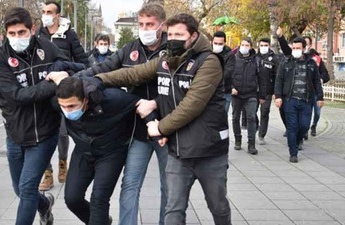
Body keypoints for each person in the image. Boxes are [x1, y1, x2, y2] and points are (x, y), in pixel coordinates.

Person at [87, 13, 231, 225]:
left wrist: (160, 128)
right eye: (170, 34)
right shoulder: (165, 61)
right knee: (174, 210)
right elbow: (132, 74)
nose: (173, 38)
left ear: (193, 36)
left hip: (208, 151)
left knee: (217, 206)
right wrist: (95, 80)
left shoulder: (209, 62)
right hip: (177, 150)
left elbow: (191, 105)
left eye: (179, 34)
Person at [76, 3, 169, 225]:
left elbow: (183, 88)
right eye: (141, 24)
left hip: (168, 128)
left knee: (170, 186)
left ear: (162, 25)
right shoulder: (129, 49)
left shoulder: (174, 49)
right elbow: (103, 68)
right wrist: (75, 79)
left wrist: (155, 103)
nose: (145, 29)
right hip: (138, 130)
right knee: (130, 184)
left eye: (150, 24)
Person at [0, 7, 69, 225]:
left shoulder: (47, 48)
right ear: (5, 33)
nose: (17, 38)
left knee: (26, 188)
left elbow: (65, 63)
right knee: (21, 190)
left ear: (32, 29)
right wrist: (51, 83)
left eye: (21, 32)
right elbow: (16, 95)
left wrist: (60, 69)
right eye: (11, 34)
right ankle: (45, 205)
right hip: (15, 135)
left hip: (45, 133)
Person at [44, 75, 154, 225]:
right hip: (83, 150)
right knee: (72, 199)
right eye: (63, 106)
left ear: (85, 99)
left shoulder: (112, 99)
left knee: (99, 199)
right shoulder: (59, 103)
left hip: (111, 152)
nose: (67, 111)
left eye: (71, 106)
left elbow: (141, 104)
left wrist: (154, 126)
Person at [37, 0, 89, 191]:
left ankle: (62, 162)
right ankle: (47, 173)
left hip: (62, 92)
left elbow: (85, 63)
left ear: (58, 15)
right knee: (41, 134)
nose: (45, 15)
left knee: (62, 132)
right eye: (43, 11)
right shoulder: (38, 35)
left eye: (49, 11)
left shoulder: (68, 35)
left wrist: (65, 69)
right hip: (41, 91)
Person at [274, 37, 324, 163]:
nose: (295, 50)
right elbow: (279, 80)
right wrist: (278, 96)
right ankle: (293, 153)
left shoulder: (311, 63)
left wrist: (320, 97)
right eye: (294, 48)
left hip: (306, 101)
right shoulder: (285, 62)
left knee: (304, 126)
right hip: (290, 100)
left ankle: (296, 141)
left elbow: (317, 81)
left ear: (304, 48)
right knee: (292, 127)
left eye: (298, 48)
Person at [276, 27, 329, 138]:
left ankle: (311, 126)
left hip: (312, 93)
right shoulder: (294, 56)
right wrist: (281, 37)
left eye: (308, 44)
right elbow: (286, 50)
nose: (296, 49)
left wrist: (321, 80)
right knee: (294, 120)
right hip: (294, 95)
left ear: (307, 47)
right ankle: (296, 136)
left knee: (313, 115)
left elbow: (324, 74)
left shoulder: (315, 59)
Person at [231, 37, 266, 154]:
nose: (244, 47)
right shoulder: (233, 59)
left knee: (251, 117)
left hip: (251, 94)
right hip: (236, 94)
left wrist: (262, 96)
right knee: (235, 117)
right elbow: (227, 76)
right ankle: (237, 139)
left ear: (251, 47)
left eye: (247, 45)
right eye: (243, 45)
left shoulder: (256, 60)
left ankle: (251, 144)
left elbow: (262, 79)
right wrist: (231, 88)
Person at [256, 38, 280, 145]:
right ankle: (256, 125)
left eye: (265, 45)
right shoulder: (255, 57)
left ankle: (261, 134)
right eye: (261, 45)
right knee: (251, 112)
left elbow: (277, 76)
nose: (263, 47)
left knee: (264, 112)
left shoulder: (274, 59)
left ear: (269, 46)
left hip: (267, 91)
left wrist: (276, 92)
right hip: (254, 90)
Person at [212, 31, 235, 112]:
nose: (217, 45)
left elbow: (227, 73)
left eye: (220, 44)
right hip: (209, 92)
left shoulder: (230, 55)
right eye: (215, 43)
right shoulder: (207, 52)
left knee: (222, 119)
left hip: (224, 92)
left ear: (224, 43)